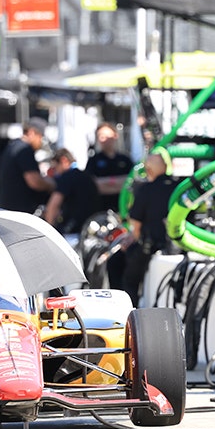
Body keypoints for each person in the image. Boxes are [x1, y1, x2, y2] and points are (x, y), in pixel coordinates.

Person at [124, 153, 178, 307]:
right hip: (176, 244)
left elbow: (135, 225)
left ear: (148, 169)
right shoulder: (178, 187)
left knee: (126, 275)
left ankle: (128, 311)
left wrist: (131, 239)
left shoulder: (145, 189)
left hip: (150, 245)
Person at [0, 118, 55, 214]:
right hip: (19, 212)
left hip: (7, 208)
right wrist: (50, 185)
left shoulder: (12, 146)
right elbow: (34, 182)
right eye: (41, 136)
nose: (41, 142)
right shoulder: (25, 150)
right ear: (31, 132)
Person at [43, 148, 99, 235]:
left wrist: (49, 230)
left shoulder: (66, 178)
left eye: (55, 167)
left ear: (63, 160)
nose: (55, 172)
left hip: (72, 229)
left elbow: (54, 205)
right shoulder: (87, 176)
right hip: (90, 228)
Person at [86, 122, 134, 214]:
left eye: (108, 137)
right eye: (101, 137)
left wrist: (107, 182)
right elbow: (93, 185)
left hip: (122, 209)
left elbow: (131, 182)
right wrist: (118, 182)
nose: (104, 140)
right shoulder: (93, 161)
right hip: (100, 209)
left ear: (115, 136)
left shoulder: (125, 159)